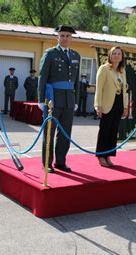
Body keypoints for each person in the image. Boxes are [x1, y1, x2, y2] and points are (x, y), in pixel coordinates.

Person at [38, 25, 80, 173]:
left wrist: (76, 100)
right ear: (57, 37)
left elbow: (76, 82)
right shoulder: (50, 54)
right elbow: (42, 77)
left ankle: (61, 162)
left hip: (69, 99)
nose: (65, 38)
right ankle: (47, 163)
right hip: (52, 99)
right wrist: (40, 99)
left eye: (68, 36)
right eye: (62, 35)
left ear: (71, 38)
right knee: (49, 132)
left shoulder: (76, 56)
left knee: (65, 133)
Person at [94, 46, 129, 167]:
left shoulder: (122, 71)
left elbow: (124, 90)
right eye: (114, 53)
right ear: (110, 55)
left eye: (119, 54)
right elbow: (99, 88)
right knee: (104, 130)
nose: (116, 56)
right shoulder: (104, 69)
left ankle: (108, 155)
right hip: (107, 104)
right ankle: (101, 156)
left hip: (119, 103)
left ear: (122, 57)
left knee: (113, 132)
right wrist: (98, 105)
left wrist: (125, 107)